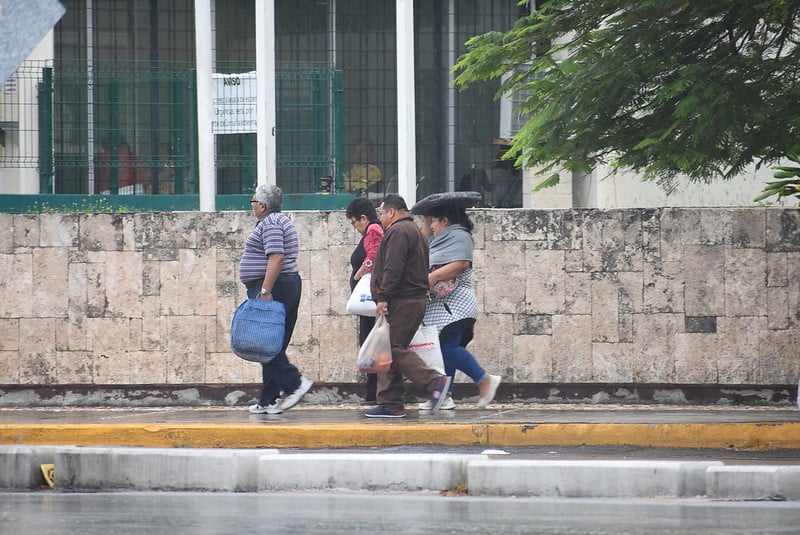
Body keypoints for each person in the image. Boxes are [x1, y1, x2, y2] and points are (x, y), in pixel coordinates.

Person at [366, 194, 452, 418]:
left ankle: (434, 383)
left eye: (382, 213)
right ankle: (390, 403)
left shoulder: (397, 232)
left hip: (403, 300)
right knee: (390, 349)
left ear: (392, 212)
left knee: (393, 348)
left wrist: (383, 296)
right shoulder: (413, 230)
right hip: (411, 299)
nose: (381, 218)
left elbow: (393, 268)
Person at [414, 192, 501, 410]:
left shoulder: (459, 236)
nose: (431, 227)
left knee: (446, 348)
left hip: (455, 305)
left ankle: (484, 379)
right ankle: (444, 396)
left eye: (434, 221)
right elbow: (422, 246)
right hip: (445, 306)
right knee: (444, 349)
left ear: (445, 221)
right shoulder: (440, 239)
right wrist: (426, 219)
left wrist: (432, 277)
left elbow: (461, 263)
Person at [239, 184, 313, 414]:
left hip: (275, 287)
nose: (252, 206)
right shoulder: (279, 221)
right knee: (272, 344)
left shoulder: (270, 223)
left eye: (253, 202)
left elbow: (277, 257)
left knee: (263, 343)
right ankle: (268, 399)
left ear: (262, 205)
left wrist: (264, 291)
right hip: (284, 285)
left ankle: (295, 384)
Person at [345, 197, 385, 405]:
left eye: (354, 222)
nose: (354, 227)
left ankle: (375, 394)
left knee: (372, 346)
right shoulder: (373, 230)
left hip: (372, 301)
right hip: (369, 303)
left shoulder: (373, 230)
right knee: (370, 345)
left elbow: (375, 256)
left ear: (363, 218)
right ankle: (373, 393)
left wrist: (359, 274)